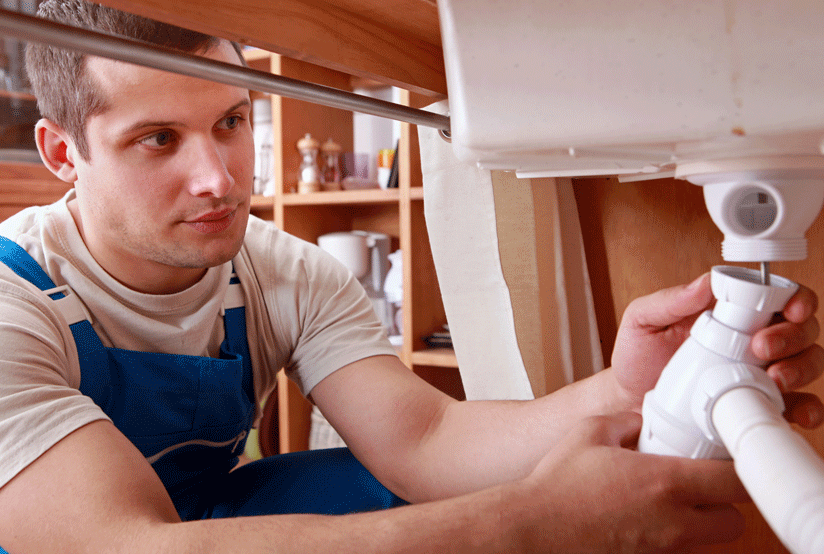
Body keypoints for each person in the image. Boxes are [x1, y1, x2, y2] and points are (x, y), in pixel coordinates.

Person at [0, 1, 822, 552]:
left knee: (382, 489)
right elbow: (123, 546)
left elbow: (424, 442)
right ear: (64, 153)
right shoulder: (13, 300)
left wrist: (630, 392)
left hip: (202, 525)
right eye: (158, 139)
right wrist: (532, 523)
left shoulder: (280, 270)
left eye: (231, 122)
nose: (218, 178)